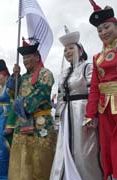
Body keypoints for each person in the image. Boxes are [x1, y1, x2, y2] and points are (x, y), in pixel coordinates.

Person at [50, 26, 103, 180]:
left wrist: (91, 115)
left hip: (83, 112)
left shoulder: (88, 67)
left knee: (85, 150)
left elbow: (94, 91)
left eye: (70, 48)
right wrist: (58, 119)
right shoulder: (64, 73)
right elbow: (60, 97)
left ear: (80, 50)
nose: (67, 52)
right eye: (65, 50)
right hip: (67, 114)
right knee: (65, 148)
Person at [7, 38, 56, 180]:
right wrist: (14, 76)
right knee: (23, 158)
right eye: (23, 58)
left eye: (28, 57)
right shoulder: (22, 78)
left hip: (41, 123)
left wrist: (19, 104)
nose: (25, 60)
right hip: (23, 124)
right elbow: (11, 94)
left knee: (41, 160)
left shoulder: (45, 74)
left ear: (37, 57)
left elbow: (40, 96)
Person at [83, 1, 117, 180]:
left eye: (106, 27)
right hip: (104, 110)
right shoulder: (97, 58)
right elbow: (94, 88)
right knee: (106, 148)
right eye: (99, 30)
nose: (103, 32)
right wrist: (90, 114)